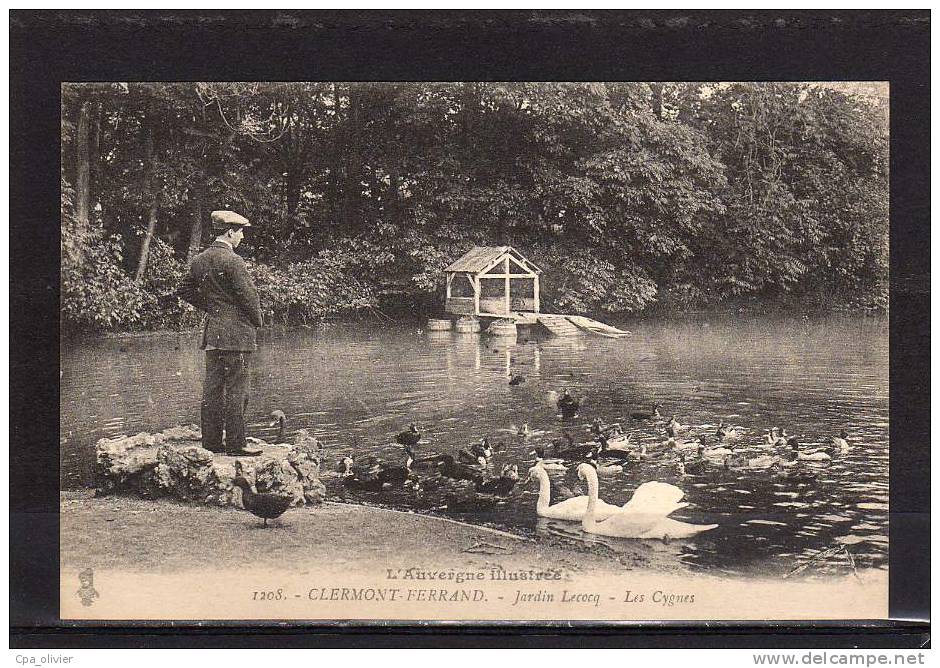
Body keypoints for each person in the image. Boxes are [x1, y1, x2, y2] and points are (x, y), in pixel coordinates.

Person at [177, 210, 264, 456]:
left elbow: (183, 289)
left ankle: (211, 443)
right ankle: (237, 445)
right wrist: (257, 321)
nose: (243, 237)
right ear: (229, 232)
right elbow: (249, 298)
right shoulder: (234, 261)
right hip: (237, 335)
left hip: (213, 334)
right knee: (237, 390)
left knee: (213, 389)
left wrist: (212, 308)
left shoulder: (199, 260)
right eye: (240, 231)